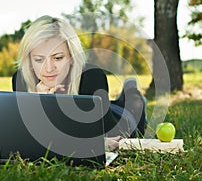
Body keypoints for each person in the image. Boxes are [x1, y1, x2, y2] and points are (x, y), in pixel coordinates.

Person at [12, 15, 147, 150]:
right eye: (39, 59)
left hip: (118, 121)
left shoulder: (91, 76)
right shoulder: (21, 79)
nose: (48, 68)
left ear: (71, 56)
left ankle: (130, 91)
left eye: (58, 58)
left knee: (134, 104)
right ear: (29, 60)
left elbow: (107, 135)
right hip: (102, 108)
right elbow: (30, 135)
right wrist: (40, 103)